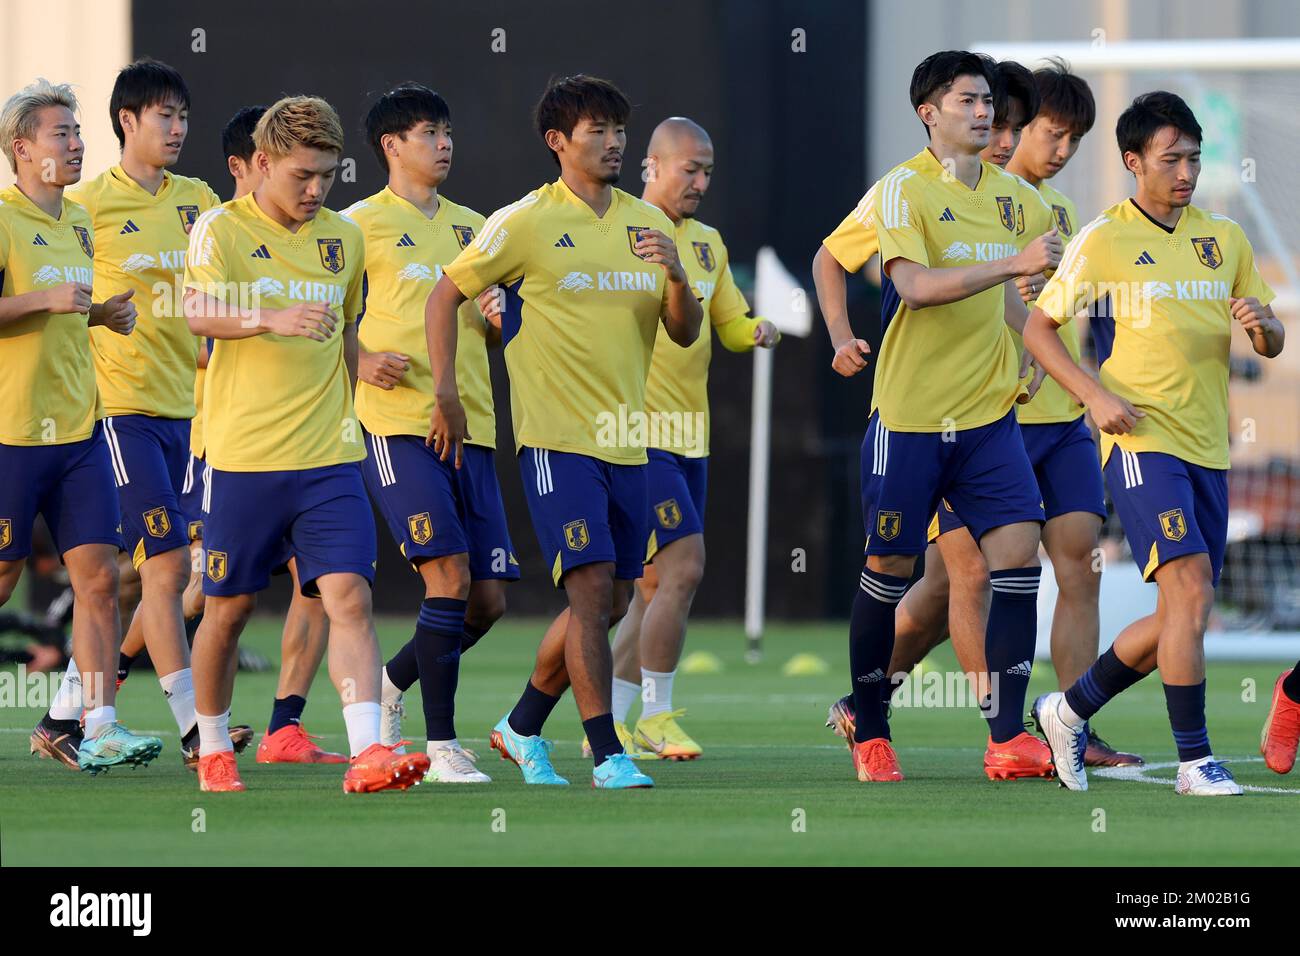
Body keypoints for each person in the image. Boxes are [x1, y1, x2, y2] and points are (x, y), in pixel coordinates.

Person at [427, 75, 703, 789]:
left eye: (619, 129)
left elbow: (683, 331)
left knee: (613, 600)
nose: (613, 142)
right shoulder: (522, 221)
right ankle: (607, 751)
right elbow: (444, 294)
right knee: (586, 594)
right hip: (555, 440)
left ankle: (519, 726)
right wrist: (447, 392)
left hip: (628, 440)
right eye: (597, 131)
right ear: (558, 141)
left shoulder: (649, 221)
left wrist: (676, 275)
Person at [1026, 91, 1284, 796]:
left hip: (1209, 446)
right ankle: (1197, 761)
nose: (1186, 171)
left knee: (1182, 611)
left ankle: (1068, 708)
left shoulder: (1223, 238)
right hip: (1141, 440)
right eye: (1171, 158)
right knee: (1191, 591)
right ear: (1134, 162)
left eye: (1195, 158)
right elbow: (1037, 329)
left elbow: (1269, 341)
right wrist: (1094, 394)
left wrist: (1263, 323)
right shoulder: (1104, 238)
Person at [817, 51, 1060, 782]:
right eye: (967, 100)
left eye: (989, 101)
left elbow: (1018, 302)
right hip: (911, 420)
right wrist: (839, 334)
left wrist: (1036, 350)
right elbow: (914, 287)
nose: (984, 112)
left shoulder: (1021, 201)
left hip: (987, 422)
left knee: (1019, 557)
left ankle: (1008, 737)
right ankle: (871, 729)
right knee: (890, 569)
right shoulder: (902, 192)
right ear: (930, 113)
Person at [183, 95, 429, 792]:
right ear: (261, 164)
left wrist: (362, 357)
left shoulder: (344, 239)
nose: (316, 189)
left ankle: (366, 754)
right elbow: (196, 312)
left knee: (347, 596)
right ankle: (212, 748)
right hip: (244, 459)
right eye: (301, 175)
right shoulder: (219, 230)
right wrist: (272, 317)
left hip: (330, 456)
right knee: (226, 612)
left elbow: (339, 327)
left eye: (327, 174)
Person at [346, 83, 517, 782]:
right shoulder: (356, 224)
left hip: (469, 425)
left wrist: (504, 315)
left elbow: (493, 329)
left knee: (487, 600)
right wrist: (360, 357)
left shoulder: (478, 226)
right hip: (398, 425)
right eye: (427, 133)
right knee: (445, 577)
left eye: (447, 132)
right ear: (391, 146)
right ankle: (442, 744)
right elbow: (326, 313)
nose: (444, 144)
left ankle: (391, 683)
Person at [600, 116, 778, 760]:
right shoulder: (615, 230)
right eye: (689, 169)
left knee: (649, 590)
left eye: (708, 172)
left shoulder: (707, 243)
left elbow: (725, 324)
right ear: (651, 166)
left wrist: (757, 330)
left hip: (688, 437)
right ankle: (657, 714)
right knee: (684, 566)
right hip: (636, 433)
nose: (700, 182)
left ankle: (614, 726)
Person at [2, 77, 161, 772]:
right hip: (12, 435)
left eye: (76, 133)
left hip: (80, 431)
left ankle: (97, 726)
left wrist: (98, 313)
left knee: (100, 579)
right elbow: (32, 307)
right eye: (59, 134)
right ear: (20, 148)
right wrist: (45, 297)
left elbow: (60, 312)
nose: (75, 144)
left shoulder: (78, 220)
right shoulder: (4, 218)